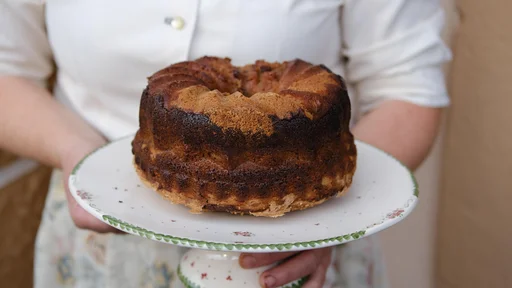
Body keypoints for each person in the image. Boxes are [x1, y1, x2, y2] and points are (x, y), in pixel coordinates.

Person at [0, 0, 451, 287]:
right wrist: (78, 153)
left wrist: (324, 227)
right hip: (103, 247)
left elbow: (408, 87)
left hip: (300, 255)